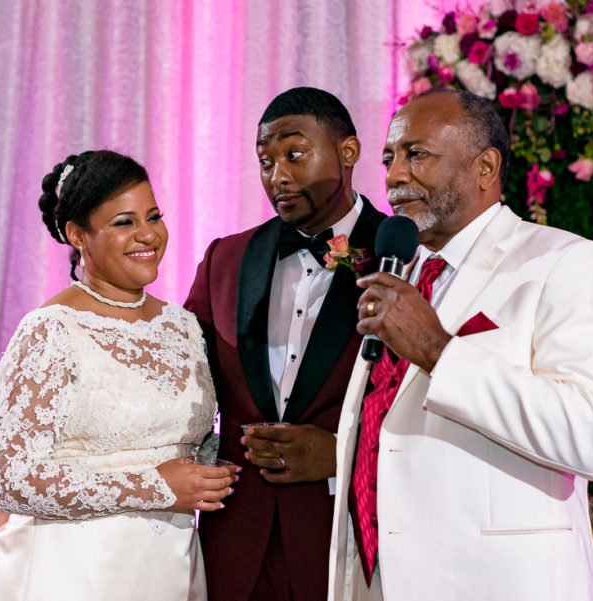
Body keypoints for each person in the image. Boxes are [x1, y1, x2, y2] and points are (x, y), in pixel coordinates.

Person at [327, 89, 593, 601]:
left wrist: (440, 353)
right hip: (382, 580)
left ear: (485, 166)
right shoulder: (402, 271)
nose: (394, 175)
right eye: (389, 158)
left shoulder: (562, 261)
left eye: (416, 154)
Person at [0, 150, 237, 601]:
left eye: (153, 216)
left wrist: (211, 473)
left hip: (167, 567)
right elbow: (10, 481)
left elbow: (193, 443)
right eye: (123, 222)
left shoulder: (183, 326)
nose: (147, 234)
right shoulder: (52, 330)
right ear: (79, 235)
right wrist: (155, 486)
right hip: (72, 570)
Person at [184, 87, 386, 601]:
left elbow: (428, 400)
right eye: (264, 160)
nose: (277, 175)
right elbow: (179, 380)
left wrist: (344, 456)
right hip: (235, 542)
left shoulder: (402, 254)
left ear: (348, 152)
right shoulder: (225, 259)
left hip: (347, 541)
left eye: (294, 154)